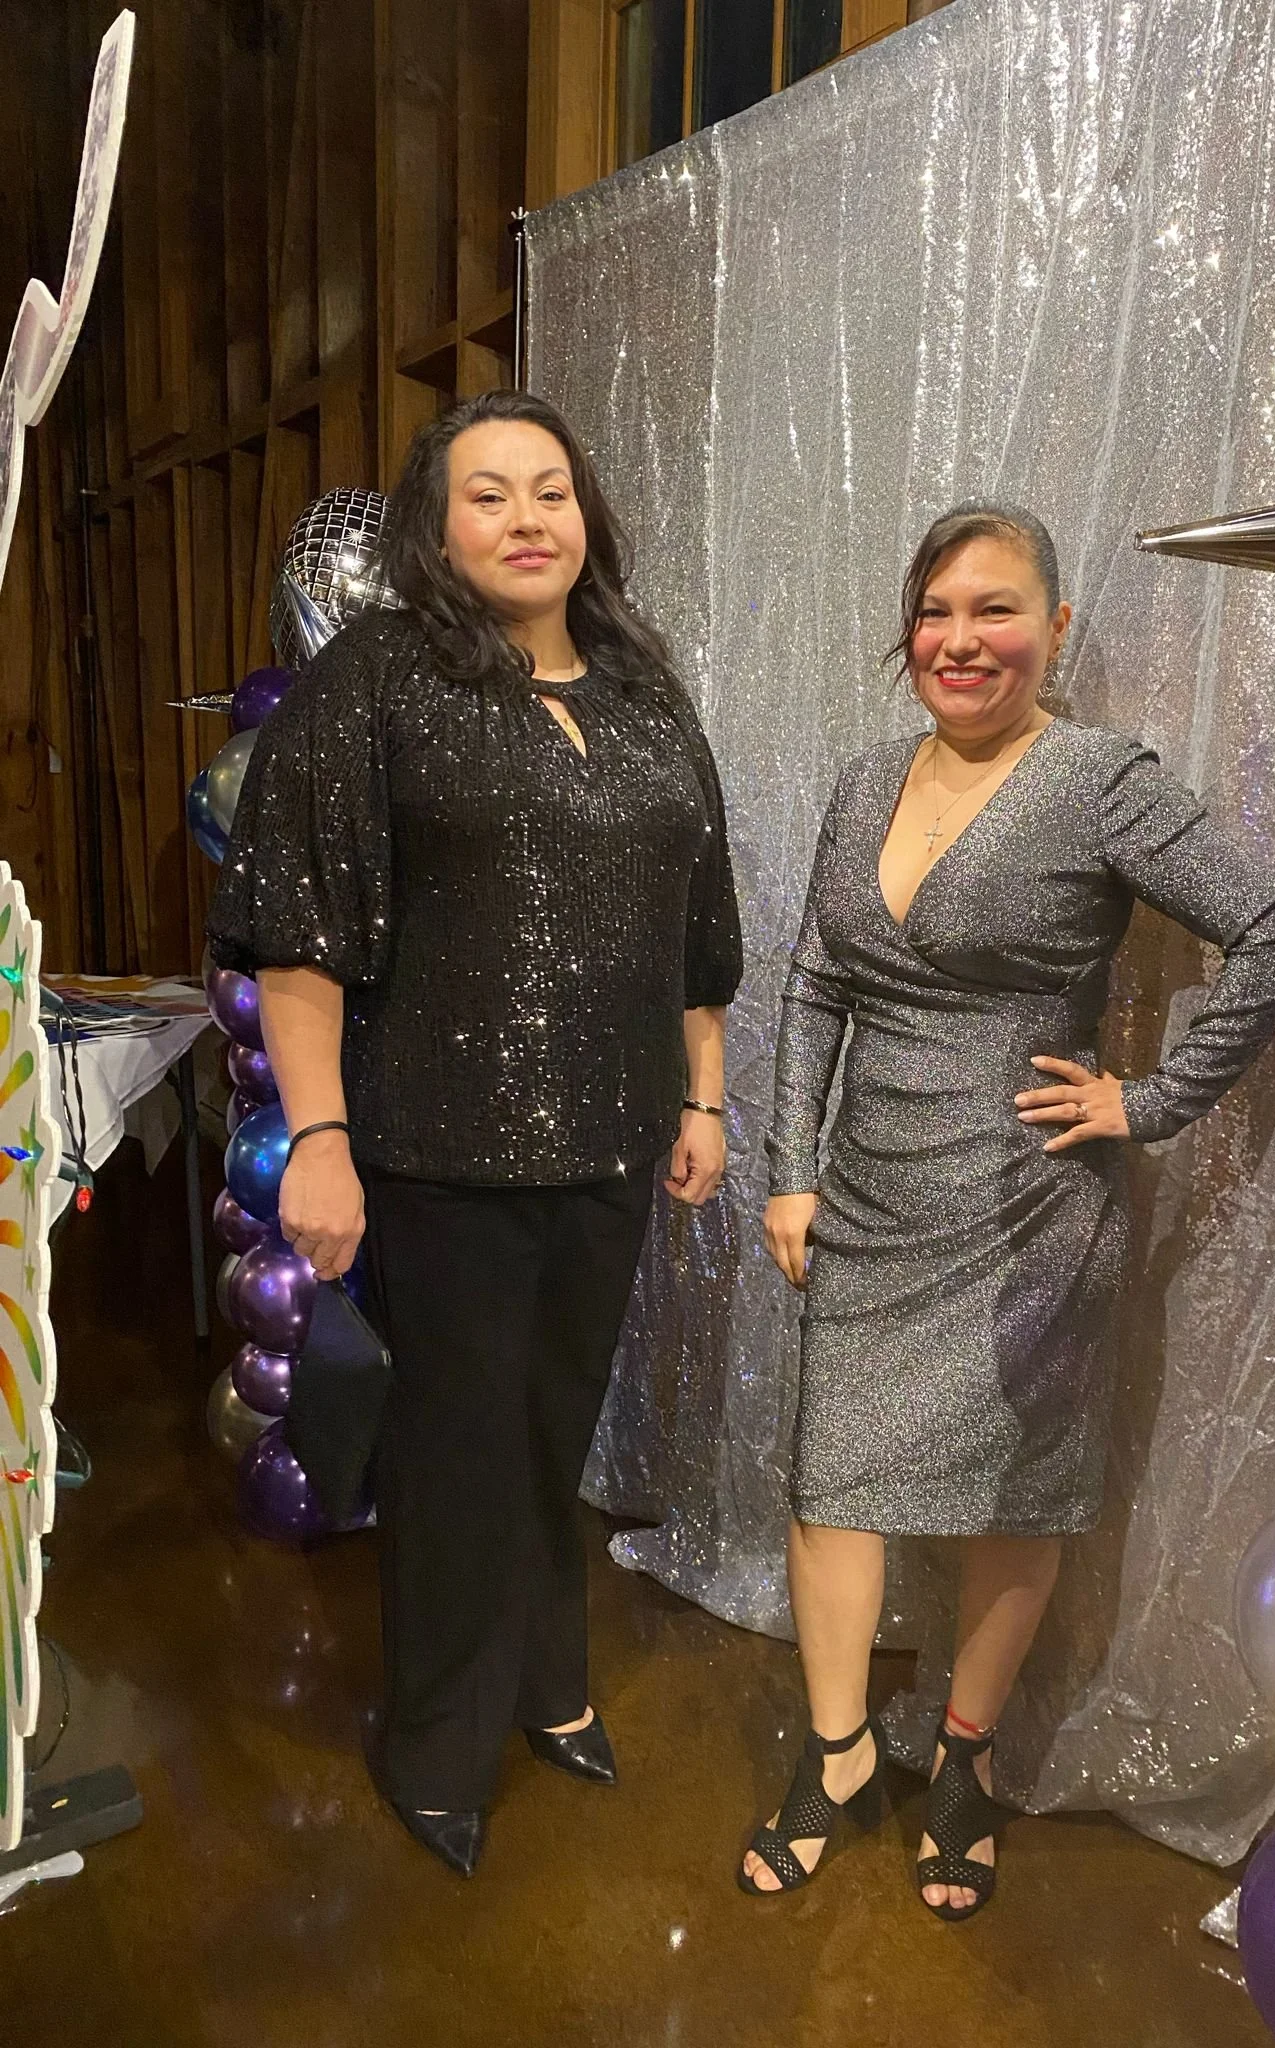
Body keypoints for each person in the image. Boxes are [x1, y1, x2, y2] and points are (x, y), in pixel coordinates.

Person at [740, 505, 1275, 1919]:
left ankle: (969, 1765)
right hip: (866, 1194)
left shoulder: (1102, 780)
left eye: (996, 612)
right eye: (937, 611)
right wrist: (789, 1166)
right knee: (829, 1486)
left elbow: (1273, 929)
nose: (960, 639)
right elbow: (816, 984)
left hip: (1028, 1216)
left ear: (1053, 634)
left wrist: (1148, 1101)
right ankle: (838, 1757)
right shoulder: (867, 779)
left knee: (1012, 1497)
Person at [209, 389, 742, 1877]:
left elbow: (698, 923)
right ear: (433, 526)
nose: (526, 518)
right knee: (454, 1447)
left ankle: (548, 1682)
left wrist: (702, 1092)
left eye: (551, 490)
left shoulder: (642, 688)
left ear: (589, 518)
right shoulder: (380, 680)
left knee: (551, 1429)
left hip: (614, 1140)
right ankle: (436, 1742)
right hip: (438, 1149)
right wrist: (317, 1139)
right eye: (489, 494)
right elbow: (298, 944)